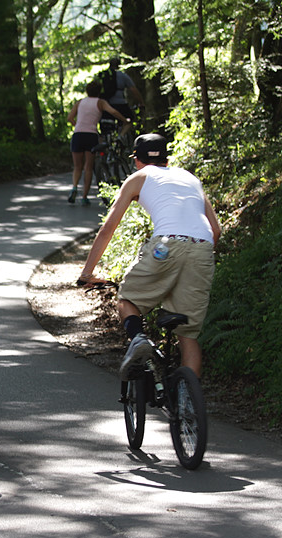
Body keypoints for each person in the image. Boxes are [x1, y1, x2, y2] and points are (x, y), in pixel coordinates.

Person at [76, 133, 221, 378]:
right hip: (202, 248)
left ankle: (139, 338)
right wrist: (192, 255)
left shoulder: (139, 177)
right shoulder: (190, 178)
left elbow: (108, 228)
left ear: (136, 160)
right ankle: (188, 407)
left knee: (127, 299)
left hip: (165, 246)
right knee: (188, 335)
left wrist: (87, 272)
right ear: (167, 158)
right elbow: (216, 230)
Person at [66, 80, 131, 206]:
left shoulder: (80, 102)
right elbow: (113, 111)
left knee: (77, 166)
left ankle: (74, 187)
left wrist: (78, 125)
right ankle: (84, 196)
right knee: (88, 167)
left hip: (78, 134)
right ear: (99, 91)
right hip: (91, 135)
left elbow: (70, 118)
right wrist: (124, 119)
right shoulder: (100, 102)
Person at [99, 57, 146, 122]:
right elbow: (134, 90)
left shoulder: (103, 75)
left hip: (105, 103)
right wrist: (141, 103)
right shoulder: (123, 76)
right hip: (120, 104)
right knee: (130, 119)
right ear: (120, 66)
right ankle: (122, 132)